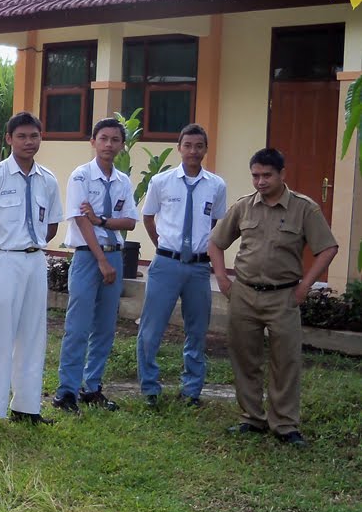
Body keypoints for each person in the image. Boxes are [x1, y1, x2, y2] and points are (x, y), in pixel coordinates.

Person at [208, 148, 338, 446]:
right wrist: (223, 280)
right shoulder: (243, 207)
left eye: (267, 175)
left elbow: (327, 248)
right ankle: (251, 418)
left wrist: (305, 286)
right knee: (245, 357)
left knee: (286, 361)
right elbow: (215, 243)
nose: (260, 182)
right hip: (244, 295)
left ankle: (285, 424)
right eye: (255, 175)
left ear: (282, 174)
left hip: (283, 297)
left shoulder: (304, 208)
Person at [0, 113, 63, 435]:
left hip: (35, 261)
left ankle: (27, 406)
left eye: (34, 136)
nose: (28, 142)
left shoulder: (47, 179)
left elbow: (51, 225)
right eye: (21, 136)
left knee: (33, 335)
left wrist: (29, 248)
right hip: (3, 260)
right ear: (8, 139)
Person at [50, 118, 138, 413]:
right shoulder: (81, 176)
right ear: (93, 141)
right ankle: (67, 392)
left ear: (122, 145)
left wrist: (100, 219)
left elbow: (130, 222)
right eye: (103, 138)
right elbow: (78, 218)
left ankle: (92, 386)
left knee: (105, 326)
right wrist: (101, 259)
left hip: (115, 254)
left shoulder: (123, 180)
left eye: (115, 140)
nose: (109, 145)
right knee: (78, 326)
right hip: (89, 256)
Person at [136, 124, 228, 407]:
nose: (193, 151)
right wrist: (163, 245)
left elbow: (213, 225)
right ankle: (150, 388)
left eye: (198, 146)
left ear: (205, 149)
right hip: (166, 263)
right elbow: (149, 217)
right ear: (179, 147)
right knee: (152, 328)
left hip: (199, 268)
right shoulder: (161, 182)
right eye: (187, 145)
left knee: (197, 330)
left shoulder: (216, 185)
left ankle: (191, 390)